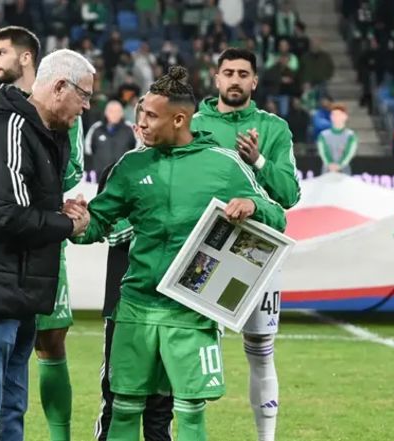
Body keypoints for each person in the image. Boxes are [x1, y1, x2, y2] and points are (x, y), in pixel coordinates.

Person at [66, 66, 287, 441]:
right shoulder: (131, 166)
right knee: (123, 409)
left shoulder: (223, 165)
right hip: (135, 307)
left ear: (180, 119)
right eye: (141, 115)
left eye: (151, 116)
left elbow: (277, 216)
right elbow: (98, 224)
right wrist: (79, 222)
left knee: (189, 413)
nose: (141, 124)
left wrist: (252, 206)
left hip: (190, 310)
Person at [0, 48, 95, 441]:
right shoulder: (9, 126)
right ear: (59, 87)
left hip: (21, 290)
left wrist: (60, 210)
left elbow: (23, 203)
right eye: (84, 95)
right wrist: (66, 224)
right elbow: (8, 214)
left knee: (10, 410)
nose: (86, 106)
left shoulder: (45, 134)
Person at [190, 48, 300, 441]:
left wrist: (258, 161)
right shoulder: (194, 123)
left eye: (242, 74)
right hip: (203, 248)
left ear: (254, 81)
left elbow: (289, 194)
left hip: (258, 249)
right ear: (216, 78)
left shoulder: (275, 128)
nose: (235, 80)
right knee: (193, 346)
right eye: (228, 72)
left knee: (261, 347)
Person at [0, 25, 85, 441]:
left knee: (50, 341)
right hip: (2, 242)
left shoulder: (64, 108)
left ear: (26, 57)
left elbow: (74, 170)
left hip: (44, 235)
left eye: (1, 52)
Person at [94, 98, 174, 441]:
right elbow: (111, 232)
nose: (148, 127)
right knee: (116, 400)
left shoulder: (182, 171)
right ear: (135, 127)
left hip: (170, 304)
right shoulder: (119, 172)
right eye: (144, 121)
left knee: (161, 407)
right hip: (123, 303)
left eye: (156, 119)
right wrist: (159, 220)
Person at [84, 100, 136, 177]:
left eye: (117, 111)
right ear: (106, 113)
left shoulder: (130, 129)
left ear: (122, 113)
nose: (114, 114)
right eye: (111, 111)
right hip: (99, 177)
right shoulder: (96, 128)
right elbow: (87, 151)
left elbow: (137, 150)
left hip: (124, 176)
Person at [317, 103, 358, 175]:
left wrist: (339, 165)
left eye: (339, 115)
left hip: (344, 172)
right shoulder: (323, 135)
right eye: (333, 115)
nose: (336, 117)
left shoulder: (351, 136)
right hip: (327, 171)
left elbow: (349, 154)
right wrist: (329, 164)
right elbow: (323, 153)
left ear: (345, 116)